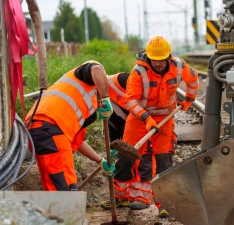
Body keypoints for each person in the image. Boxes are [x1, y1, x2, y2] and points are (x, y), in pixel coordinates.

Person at [112, 35, 199, 218]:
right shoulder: (138, 72)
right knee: (127, 156)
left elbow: (193, 80)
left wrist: (189, 100)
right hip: (139, 118)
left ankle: (164, 203)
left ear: (169, 57)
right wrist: (146, 118)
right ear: (149, 58)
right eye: (154, 60)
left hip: (165, 117)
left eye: (161, 60)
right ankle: (120, 196)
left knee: (163, 159)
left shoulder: (180, 67)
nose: (157, 64)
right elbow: (131, 101)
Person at [24, 61, 116, 191]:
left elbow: (78, 142)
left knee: (53, 188)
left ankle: (58, 210)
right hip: (50, 128)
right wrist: (106, 98)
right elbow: (96, 69)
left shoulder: (77, 102)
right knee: (66, 187)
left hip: (36, 129)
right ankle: (68, 209)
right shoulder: (85, 78)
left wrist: (100, 161)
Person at [100, 72, 132, 209]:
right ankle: (122, 198)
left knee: (145, 164)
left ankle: (144, 199)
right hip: (128, 133)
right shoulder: (101, 102)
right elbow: (112, 125)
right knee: (124, 161)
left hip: (146, 125)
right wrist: (114, 147)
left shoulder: (120, 80)